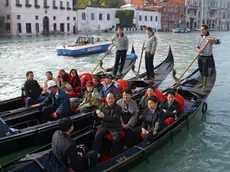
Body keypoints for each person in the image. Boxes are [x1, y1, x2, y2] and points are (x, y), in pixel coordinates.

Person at [93, 92, 122, 156]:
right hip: (104, 126)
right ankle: (96, 154)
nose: (110, 100)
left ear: (114, 99)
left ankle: (115, 155)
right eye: (109, 98)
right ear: (106, 99)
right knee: (98, 136)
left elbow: (115, 119)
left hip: (115, 127)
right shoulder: (102, 105)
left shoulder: (118, 108)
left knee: (116, 139)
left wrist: (104, 116)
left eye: (112, 98)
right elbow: (95, 111)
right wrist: (96, 111)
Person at [196, 24, 220, 91]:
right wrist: (199, 50)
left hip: (207, 57)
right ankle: (201, 83)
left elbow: (219, 41)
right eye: (201, 29)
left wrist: (212, 41)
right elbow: (197, 46)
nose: (201, 31)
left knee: (205, 71)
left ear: (206, 30)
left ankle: (204, 86)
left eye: (203, 29)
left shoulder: (211, 37)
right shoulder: (199, 37)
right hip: (200, 56)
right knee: (200, 70)